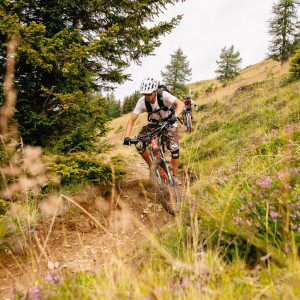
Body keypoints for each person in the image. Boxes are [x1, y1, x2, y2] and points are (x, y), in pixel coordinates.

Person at [123, 77, 185, 185]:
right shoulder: (142, 101)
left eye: (149, 94)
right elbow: (131, 120)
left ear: (155, 91)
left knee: (174, 148)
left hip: (168, 122)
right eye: (144, 94)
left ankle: (174, 176)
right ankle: (153, 168)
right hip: (154, 123)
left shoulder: (164, 95)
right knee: (139, 144)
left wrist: (175, 116)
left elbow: (181, 104)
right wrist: (126, 137)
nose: (146, 96)